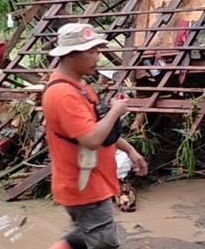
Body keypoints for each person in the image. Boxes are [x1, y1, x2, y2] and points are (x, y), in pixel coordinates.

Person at [43, 23, 148, 249]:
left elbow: (96, 126)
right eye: (92, 51)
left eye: (98, 50)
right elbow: (90, 138)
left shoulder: (79, 85)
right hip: (83, 184)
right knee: (103, 241)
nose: (98, 57)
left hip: (92, 179)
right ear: (71, 55)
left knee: (88, 233)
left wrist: (129, 149)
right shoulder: (63, 94)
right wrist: (115, 112)